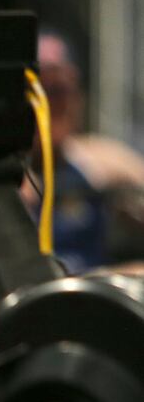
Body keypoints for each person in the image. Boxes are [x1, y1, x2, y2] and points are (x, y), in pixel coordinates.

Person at [22, 29, 144, 272]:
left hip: (91, 286)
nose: (49, 106)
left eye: (59, 90)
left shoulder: (98, 160)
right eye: (40, 92)